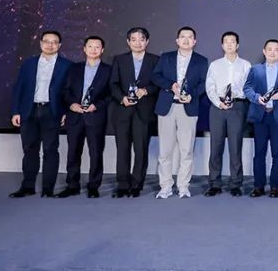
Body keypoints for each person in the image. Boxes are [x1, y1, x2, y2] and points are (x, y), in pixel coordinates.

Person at [9, 30, 73, 198]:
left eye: (54, 42)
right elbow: (19, 87)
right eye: (46, 41)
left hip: (51, 111)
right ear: (40, 43)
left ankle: (48, 188)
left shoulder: (67, 65)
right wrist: (15, 111)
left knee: (50, 150)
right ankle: (28, 186)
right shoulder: (29, 63)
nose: (50, 45)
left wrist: (65, 111)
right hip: (29, 110)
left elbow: (70, 91)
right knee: (29, 149)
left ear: (59, 45)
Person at [151, 26, 208, 199]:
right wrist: (171, 86)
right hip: (167, 107)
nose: (186, 40)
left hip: (188, 108)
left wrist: (192, 95)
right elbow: (156, 76)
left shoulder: (201, 61)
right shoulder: (166, 57)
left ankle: (183, 186)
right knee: (165, 151)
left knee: (186, 150)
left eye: (190, 37)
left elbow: (204, 83)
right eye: (183, 37)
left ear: (194, 41)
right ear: (177, 40)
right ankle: (165, 186)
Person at [58, 35, 112, 198]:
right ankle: (72, 185)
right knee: (73, 152)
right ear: (84, 49)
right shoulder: (74, 68)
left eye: (97, 47)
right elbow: (65, 90)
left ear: (102, 50)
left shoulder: (108, 70)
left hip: (95, 115)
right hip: (75, 115)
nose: (93, 50)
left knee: (96, 152)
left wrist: (98, 105)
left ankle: (93, 186)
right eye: (90, 46)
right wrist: (71, 105)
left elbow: (111, 94)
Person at [109, 27, 160, 198]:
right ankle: (123, 184)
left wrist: (146, 90)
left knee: (141, 149)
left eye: (141, 39)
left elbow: (159, 83)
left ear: (147, 41)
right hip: (122, 110)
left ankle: (137, 184)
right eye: (134, 39)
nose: (138, 43)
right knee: (122, 149)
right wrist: (121, 98)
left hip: (144, 112)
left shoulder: (155, 60)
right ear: (128, 42)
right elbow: (113, 84)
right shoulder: (119, 60)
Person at [205, 31, 253, 197]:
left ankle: (235, 183)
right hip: (217, 107)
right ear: (222, 45)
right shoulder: (215, 65)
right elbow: (210, 86)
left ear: (237, 45)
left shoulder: (246, 65)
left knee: (235, 147)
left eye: (232, 41)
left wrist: (235, 94)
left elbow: (248, 87)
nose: (229, 44)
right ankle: (214, 183)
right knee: (216, 146)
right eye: (226, 41)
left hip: (237, 107)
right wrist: (218, 103)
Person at [243, 39, 278, 198]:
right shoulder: (255, 69)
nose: (272, 52)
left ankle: (275, 186)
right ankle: (258, 186)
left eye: (276, 49)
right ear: (264, 51)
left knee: (277, 152)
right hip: (260, 115)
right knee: (259, 152)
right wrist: (257, 97)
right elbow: (247, 88)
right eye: (269, 49)